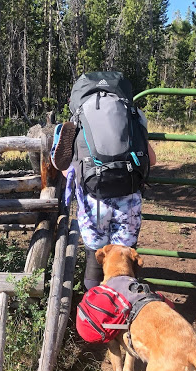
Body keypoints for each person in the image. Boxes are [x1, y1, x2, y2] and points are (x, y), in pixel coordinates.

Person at [53, 108, 156, 291]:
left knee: (95, 260)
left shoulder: (81, 116)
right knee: (124, 260)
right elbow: (152, 160)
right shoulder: (134, 114)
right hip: (128, 200)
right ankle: (126, 306)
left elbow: (66, 168)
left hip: (95, 201)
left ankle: (94, 308)